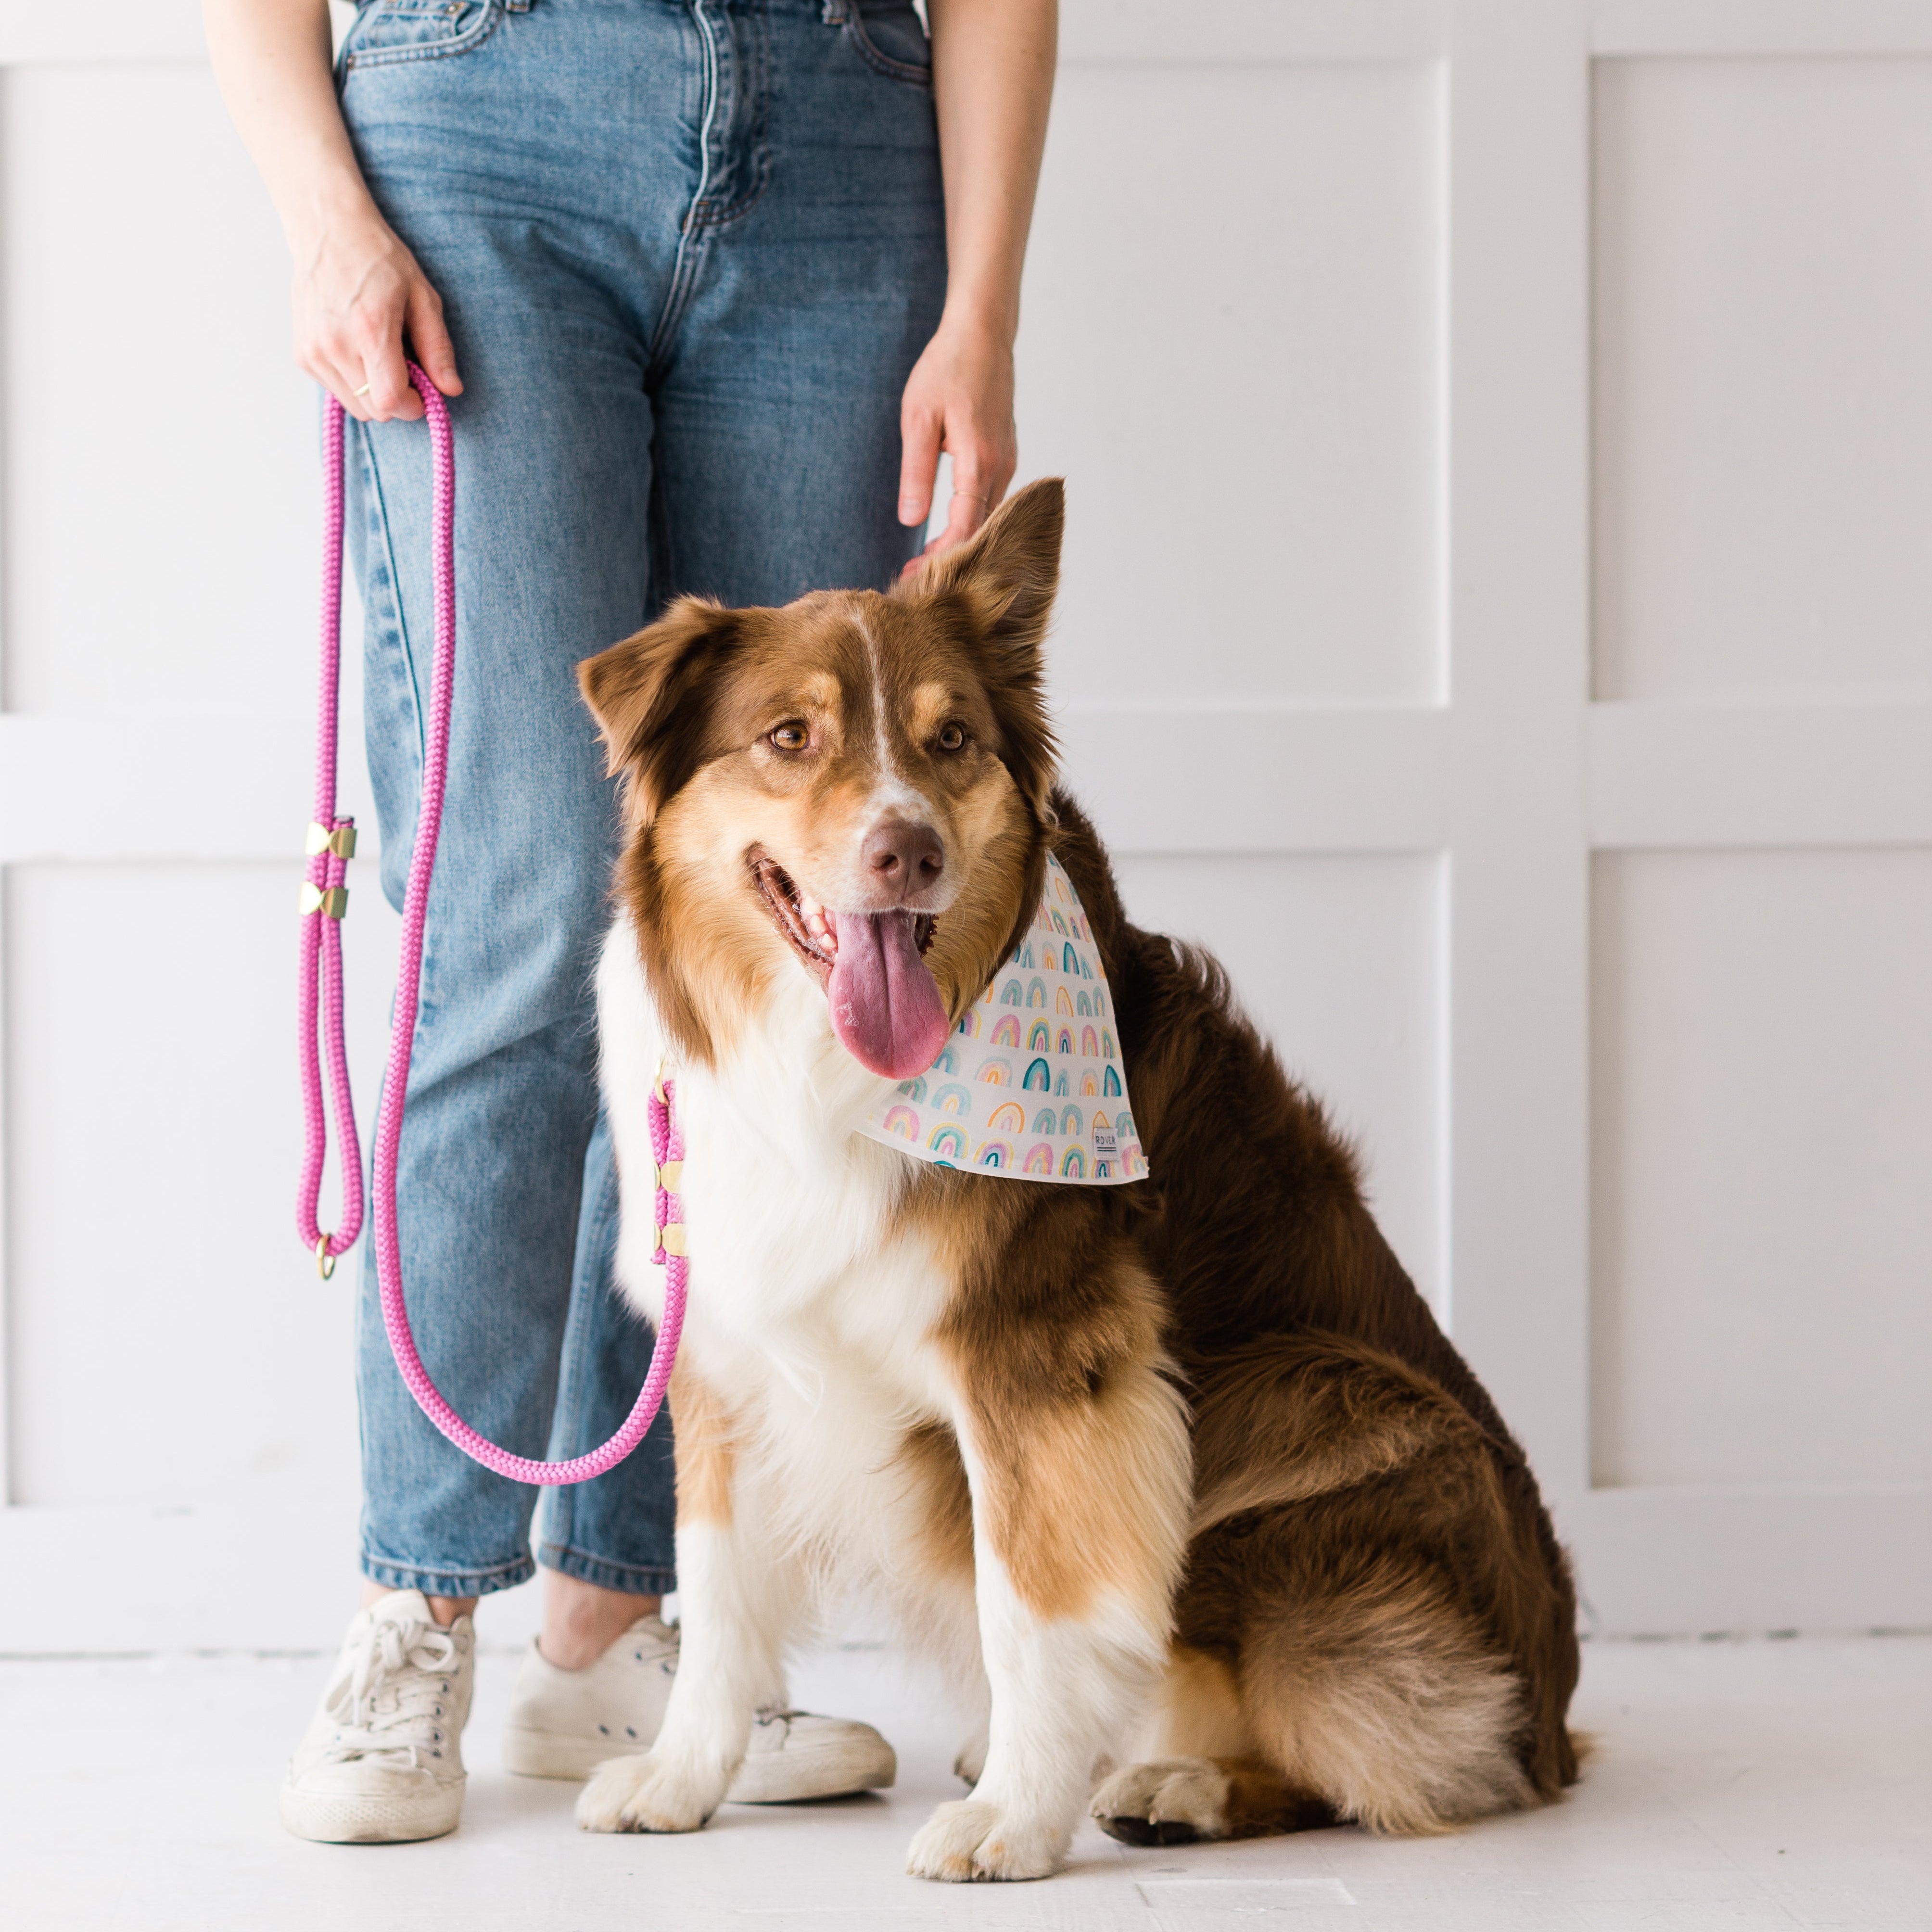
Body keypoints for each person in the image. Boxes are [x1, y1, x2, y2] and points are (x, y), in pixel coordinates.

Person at [205, 0, 1055, 1844]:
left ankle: (612, 1608)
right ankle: (416, 1600)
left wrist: (981, 301)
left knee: (764, 930)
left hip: (844, 135)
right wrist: (320, 213)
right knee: (515, 915)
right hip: (483, 125)